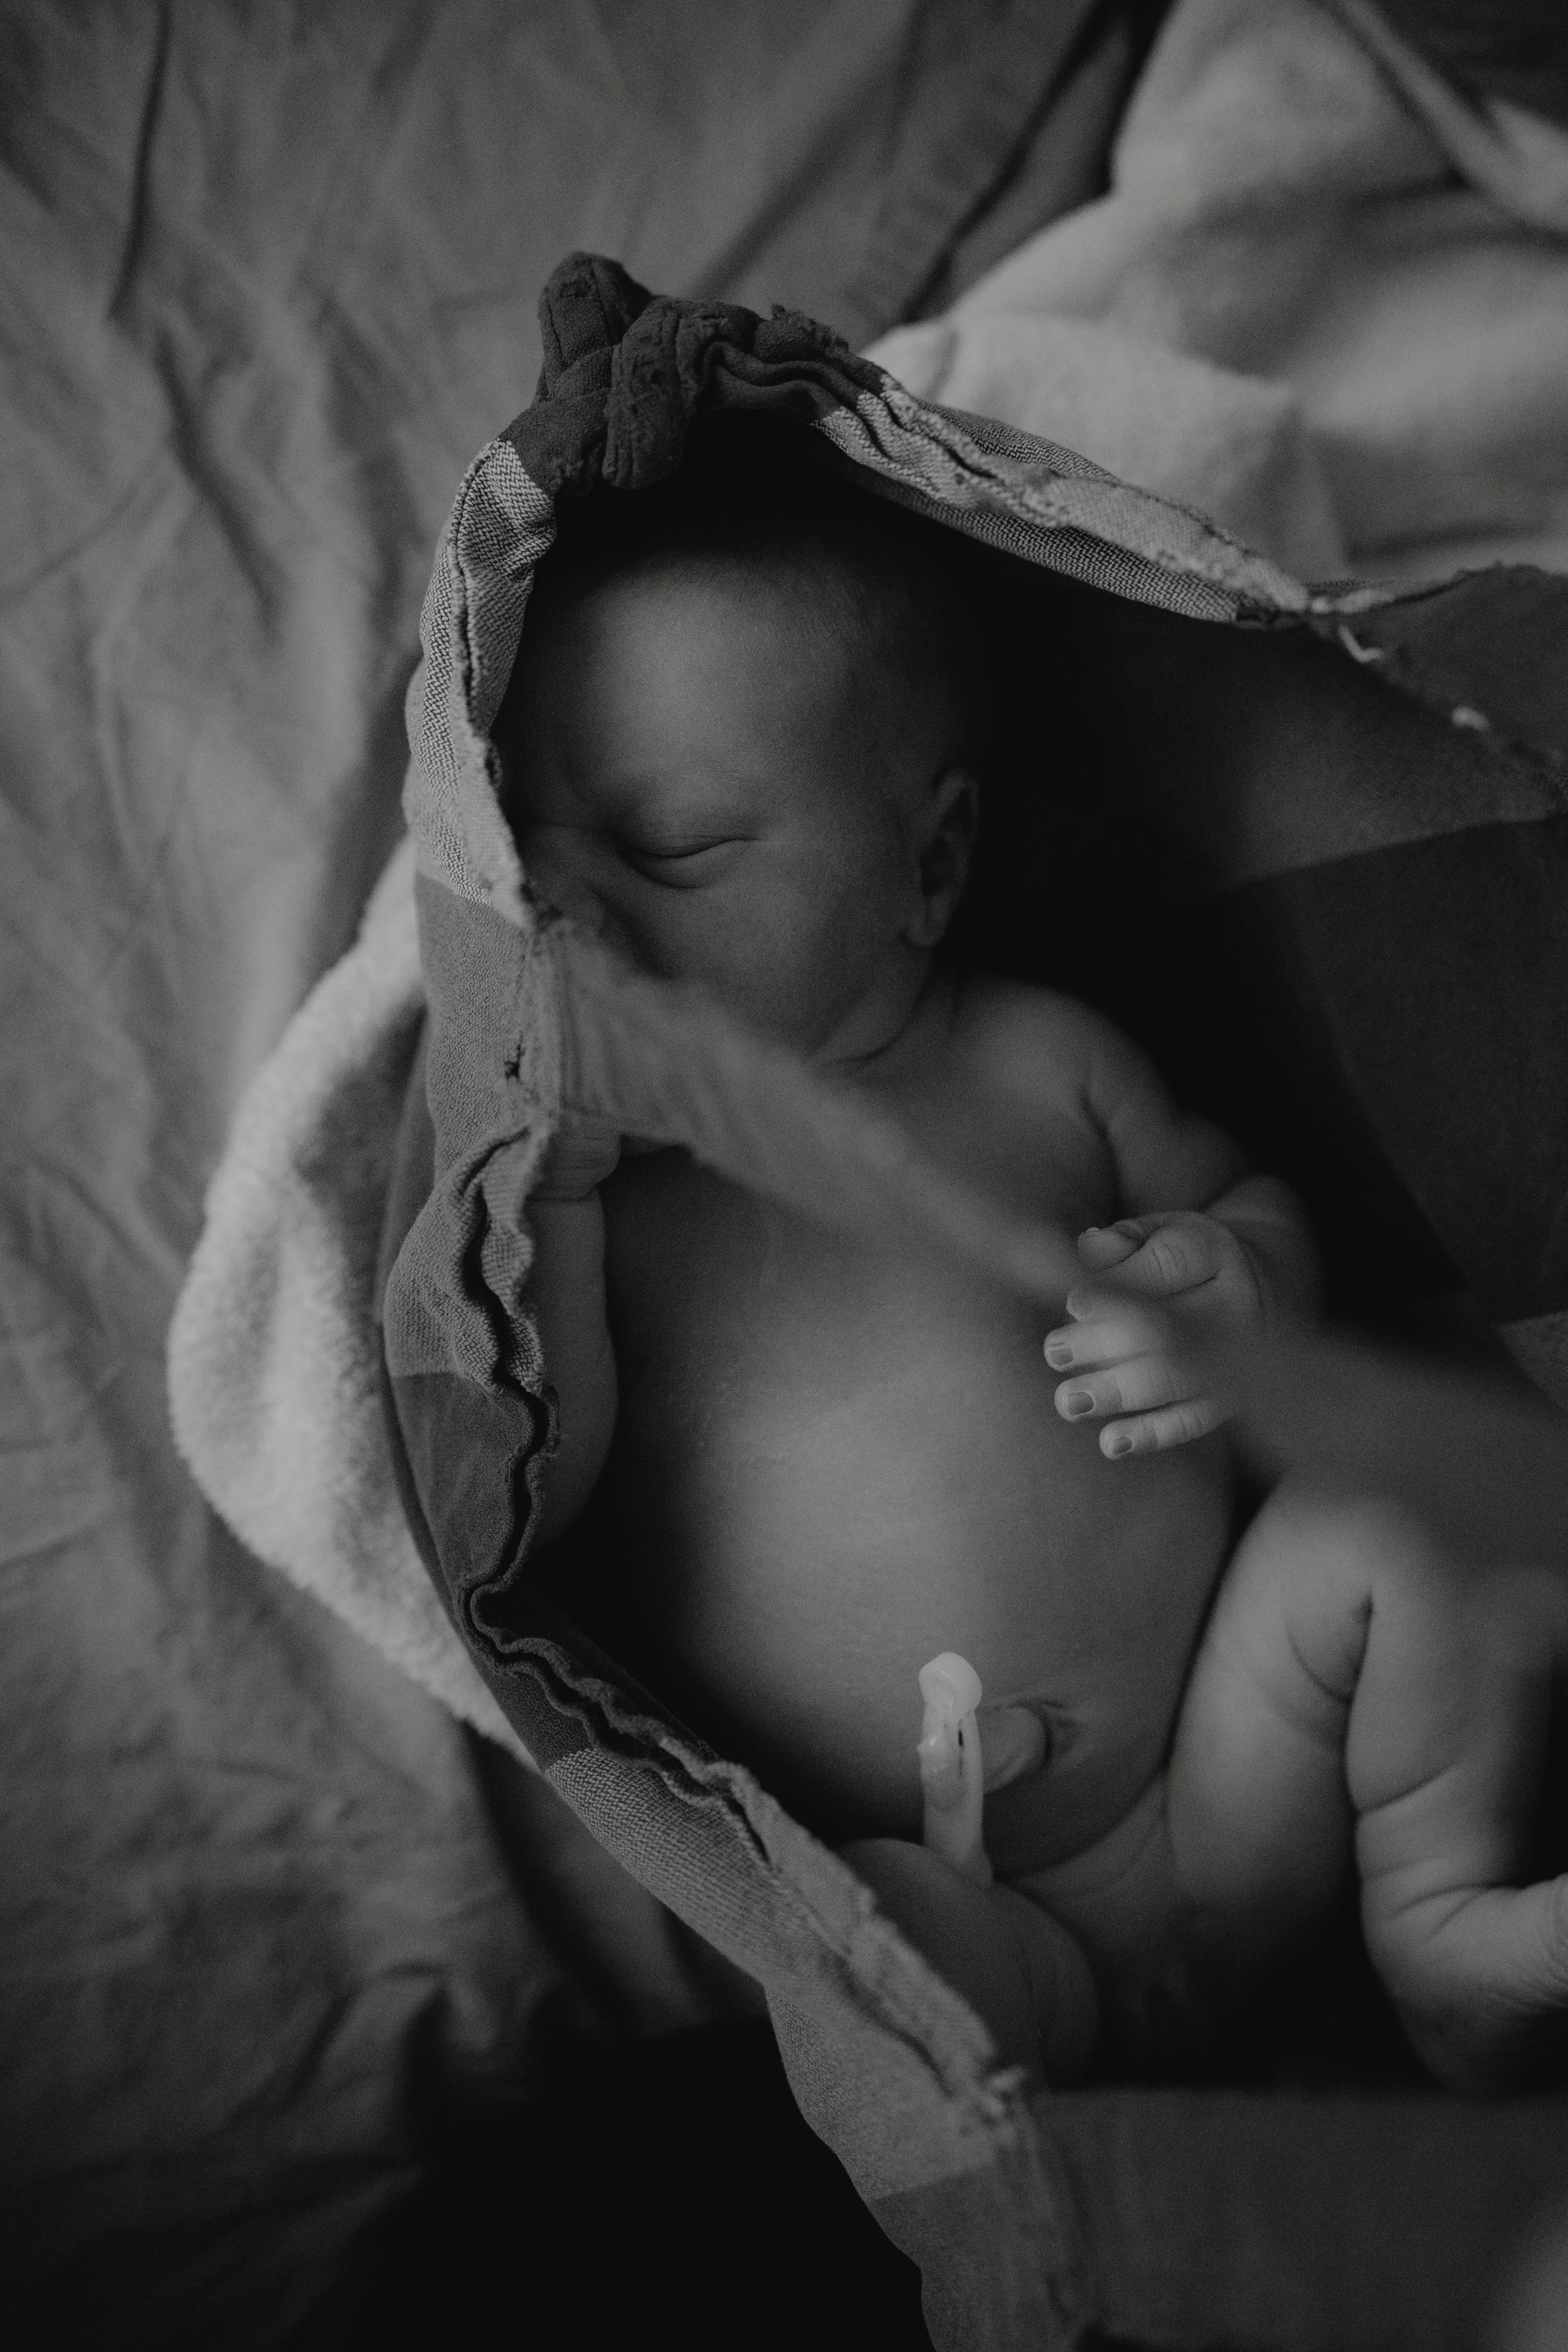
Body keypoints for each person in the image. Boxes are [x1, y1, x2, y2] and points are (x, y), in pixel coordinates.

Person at [494, 417, 1568, 2091]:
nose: (574, 917)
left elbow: (1249, 1203)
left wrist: (1230, 1277)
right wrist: (552, 1204)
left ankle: (1432, 1919)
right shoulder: (608, 1203)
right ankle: (1034, 2142)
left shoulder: (1032, 1061)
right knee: (843, 1937)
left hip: (1243, 1752)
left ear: (925, 865)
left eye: (674, 849)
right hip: (965, 1881)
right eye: (532, 857)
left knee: (1427, 1517)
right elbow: (529, 1492)